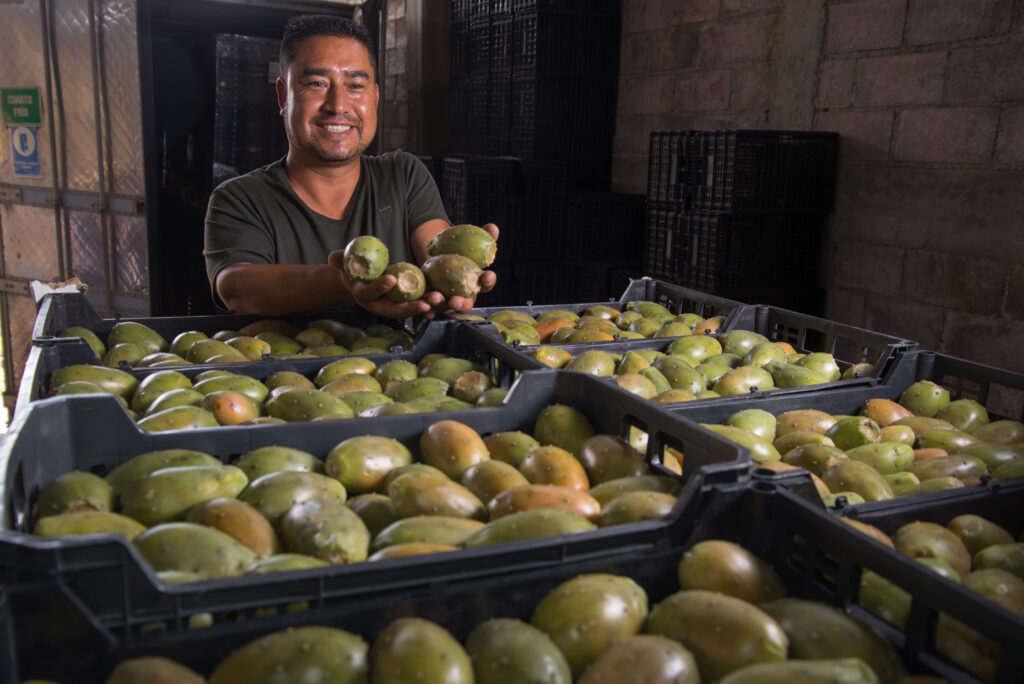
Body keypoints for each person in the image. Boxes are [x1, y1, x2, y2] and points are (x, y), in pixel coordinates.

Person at [203, 14, 498, 318]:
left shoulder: (403, 176)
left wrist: (460, 278)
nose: (338, 105)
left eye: (355, 85)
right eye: (316, 83)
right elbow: (236, 287)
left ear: (375, 97)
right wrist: (345, 282)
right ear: (283, 95)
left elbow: (436, 258)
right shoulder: (238, 199)